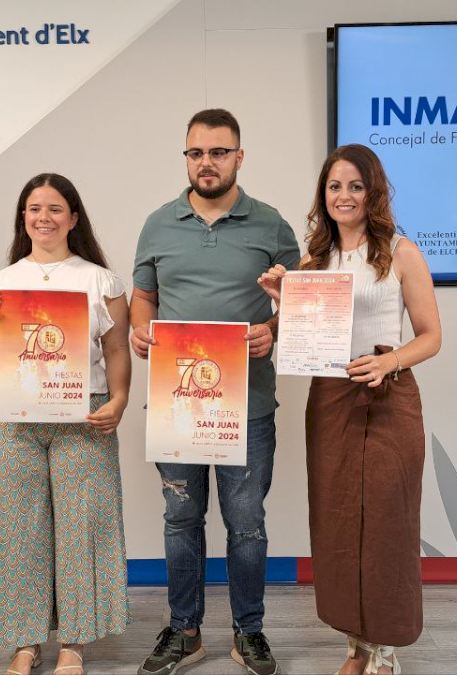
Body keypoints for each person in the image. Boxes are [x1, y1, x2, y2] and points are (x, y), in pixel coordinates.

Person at [258, 144, 442, 675]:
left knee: (387, 522)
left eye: (355, 187)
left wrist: (389, 362)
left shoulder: (402, 253)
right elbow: (302, 335)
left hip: (388, 396)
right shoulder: (313, 262)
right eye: (335, 186)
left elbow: (431, 336)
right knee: (337, 523)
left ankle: (385, 650)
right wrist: (281, 300)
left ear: (372, 193)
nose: (344, 196)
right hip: (332, 400)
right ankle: (355, 645)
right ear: (324, 195)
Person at [130, 109, 300, 675]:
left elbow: (303, 302)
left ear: (239, 157)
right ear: (186, 158)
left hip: (247, 406)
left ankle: (249, 632)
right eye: (196, 153)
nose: (207, 162)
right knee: (181, 520)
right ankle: (185, 632)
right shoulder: (158, 224)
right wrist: (139, 330)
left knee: (246, 525)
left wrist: (274, 328)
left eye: (219, 152)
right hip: (177, 405)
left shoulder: (271, 225)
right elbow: (144, 296)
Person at [0, 173, 131, 675]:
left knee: (83, 525)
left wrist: (120, 399)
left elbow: (117, 349)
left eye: (56, 208)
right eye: (35, 208)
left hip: (83, 413)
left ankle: (74, 643)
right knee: (16, 527)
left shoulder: (102, 281)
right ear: (23, 218)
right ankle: (25, 640)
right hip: (14, 418)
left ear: (73, 218)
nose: (44, 217)